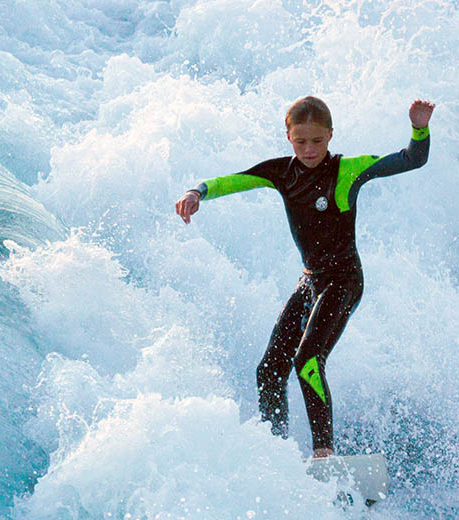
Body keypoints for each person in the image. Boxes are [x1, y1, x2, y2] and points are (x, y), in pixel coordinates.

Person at [175, 96, 435, 458]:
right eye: (300, 141)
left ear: (330, 135)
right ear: (289, 137)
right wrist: (196, 192)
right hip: (311, 281)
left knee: (308, 359)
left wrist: (419, 128)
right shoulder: (281, 173)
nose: (309, 149)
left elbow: (411, 159)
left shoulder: (347, 170)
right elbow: (230, 182)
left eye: (317, 140)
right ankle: (275, 450)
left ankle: (323, 453)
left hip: (344, 281)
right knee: (269, 369)